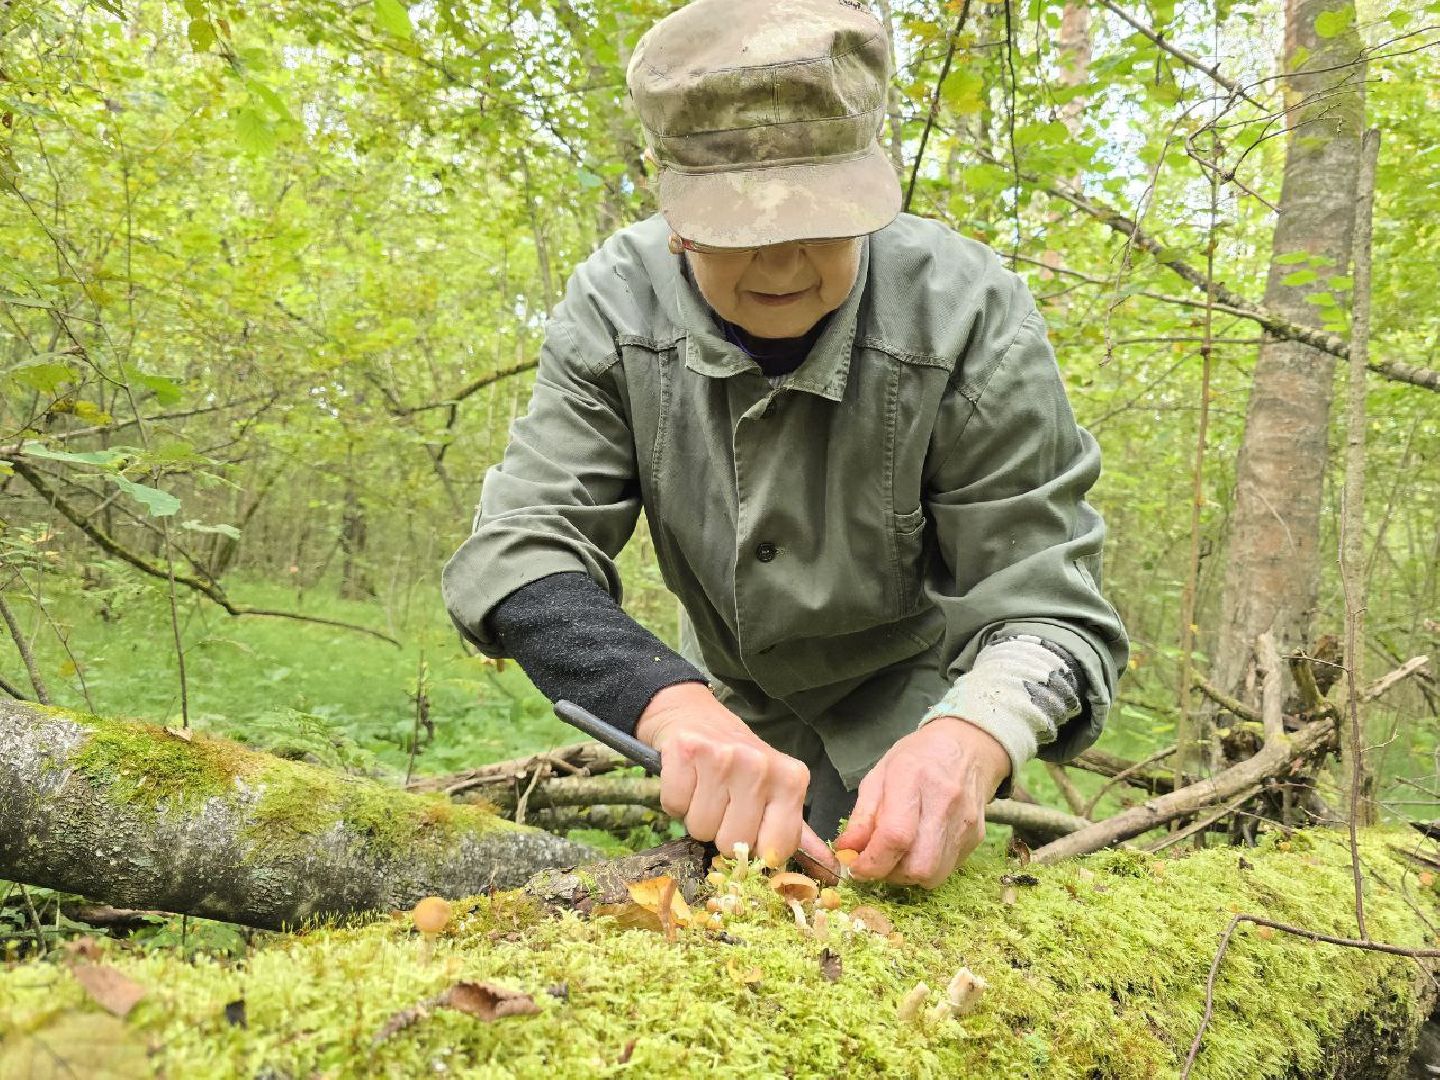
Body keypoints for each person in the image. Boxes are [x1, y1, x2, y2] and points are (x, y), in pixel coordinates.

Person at [442, 0, 1128, 888]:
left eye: (819, 222)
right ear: (675, 209)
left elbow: (1052, 605)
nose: (781, 266)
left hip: (921, 712)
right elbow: (520, 553)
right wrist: (668, 703)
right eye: (738, 229)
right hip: (722, 707)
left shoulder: (969, 316)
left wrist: (970, 738)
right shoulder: (615, 307)